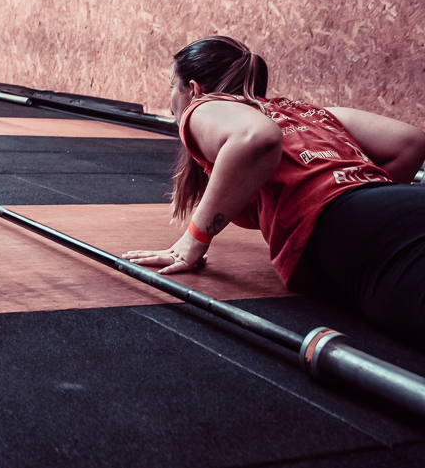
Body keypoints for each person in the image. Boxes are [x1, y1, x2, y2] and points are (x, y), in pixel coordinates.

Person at [124, 35, 425, 343]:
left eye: (172, 86)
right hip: (397, 208)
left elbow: (257, 138)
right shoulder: (308, 112)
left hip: (366, 225)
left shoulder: (202, 107)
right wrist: (367, 200)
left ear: (193, 89)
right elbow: (411, 143)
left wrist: (193, 242)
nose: (171, 98)